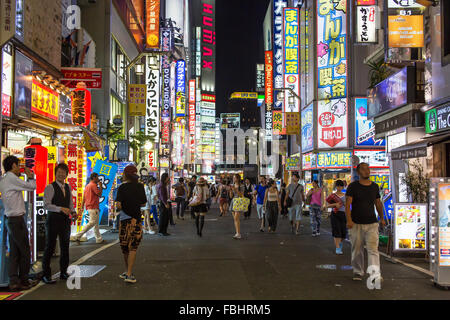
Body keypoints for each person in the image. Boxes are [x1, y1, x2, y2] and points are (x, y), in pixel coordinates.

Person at [0, 156, 37, 291]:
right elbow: (32, 187)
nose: (19, 167)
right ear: (13, 165)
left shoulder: (4, 179)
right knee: (25, 251)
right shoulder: (11, 178)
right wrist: (30, 175)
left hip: (10, 219)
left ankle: (14, 281)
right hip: (17, 220)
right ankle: (24, 280)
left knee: (15, 252)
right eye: (18, 165)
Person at [346, 163, 385, 285]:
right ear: (358, 172)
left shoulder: (374, 187)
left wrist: (382, 218)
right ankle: (358, 271)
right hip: (356, 223)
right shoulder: (353, 187)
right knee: (357, 249)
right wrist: (349, 220)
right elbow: (348, 205)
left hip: (372, 223)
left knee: (373, 249)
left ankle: (374, 274)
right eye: (363, 169)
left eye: (368, 168)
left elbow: (378, 203)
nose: (367, 171)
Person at [42, 163, 77, 284]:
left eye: (63, 172)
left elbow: (70, 203)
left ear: (66, 174)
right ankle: (46, 275)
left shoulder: (67, 187)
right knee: (50, 247)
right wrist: (60, 209)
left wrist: (73, 212)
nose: (61, 174)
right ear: (55, 173)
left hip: (65, 221)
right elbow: (46, 205)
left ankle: (63, 272)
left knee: (65, 247)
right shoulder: (50, 187)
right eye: (59, 172)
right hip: (53, 220)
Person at [115, 165, 147, 284]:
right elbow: (143, 203)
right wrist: (134, 205)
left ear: (126, 174)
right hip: (136, 220)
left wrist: (126, 206)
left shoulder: (122, 188)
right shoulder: (140, 186)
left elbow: (118, 205)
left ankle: (127, 271)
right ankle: (128, 273)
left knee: (124, 247)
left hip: (124, 220)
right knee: (133, 246)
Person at [73, 173, 104, 243]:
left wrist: (82, 206)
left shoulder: (87, 186)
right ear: (93, 178)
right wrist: (101, 186)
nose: (98, 179)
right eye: (97, 177)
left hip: (89, 207)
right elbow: (99, 194)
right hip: (93, 207)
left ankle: (99, 239)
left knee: (95, 224)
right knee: (92, 222)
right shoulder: (93, 185)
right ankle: (78, 236)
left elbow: (84, 197)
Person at [325, 180, 347, 255]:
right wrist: (335, 204)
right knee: (336, 231)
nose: (339, 188)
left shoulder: (346, 195)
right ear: (336, 186)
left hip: (343, 215)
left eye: (341, 186)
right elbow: (327, 205)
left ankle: (339, 243)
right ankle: (337, 247)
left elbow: (348, 206)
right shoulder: (332, 195)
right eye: (338, 186)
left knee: (344, 232)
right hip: (335, 214)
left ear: (343, 187)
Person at [231, 174, 246, 240]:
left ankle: (238, 234)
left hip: (239, 201)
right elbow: (231, 196)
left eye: (234, 178)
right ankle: (237, 232)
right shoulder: (233, 185)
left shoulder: (241, 185)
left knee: (236, 218)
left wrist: (235, 189)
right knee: (235, 219)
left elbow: (241, 195)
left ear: (238, 178)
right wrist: (231, 190)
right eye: (233, 178)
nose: (233, 179)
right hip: (233, 201)